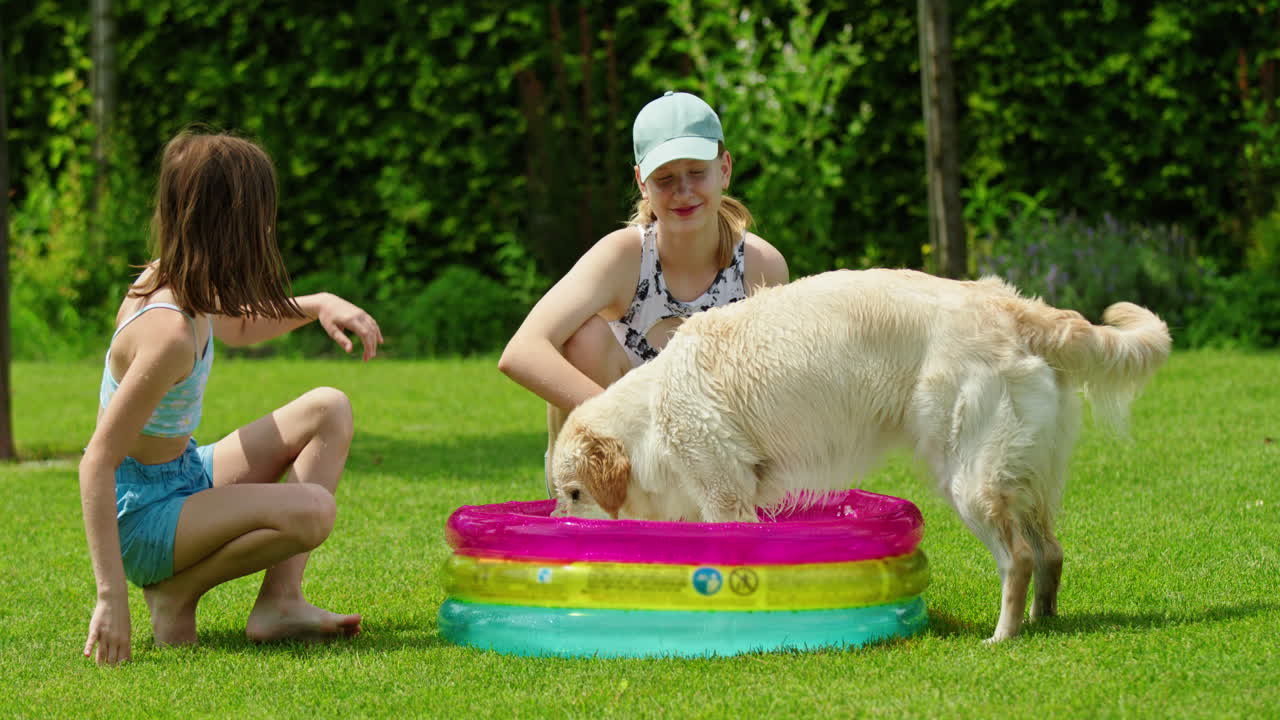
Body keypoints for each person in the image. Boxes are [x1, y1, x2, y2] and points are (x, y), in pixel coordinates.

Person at [80, 130, 384, 665]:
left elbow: (241, 327)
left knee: (328, 407)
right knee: (313, 511)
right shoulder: (167, 332)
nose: (268, 228)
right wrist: (110, 599)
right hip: (146, 520)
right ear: (232, 226)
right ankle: (175, 594)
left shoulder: (180, 282)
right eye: (261, 217)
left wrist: (317, 304)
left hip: (181, 477)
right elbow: (97, 461)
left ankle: (281, 603)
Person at [498, 91, 789, 492]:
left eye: (697, 172)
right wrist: (633, 424)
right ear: (642, 182)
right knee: (583, 338)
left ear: (724, 169)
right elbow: (521, 351)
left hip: (716, 461)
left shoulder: (760, 266)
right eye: (665, 179)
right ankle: (574, 500)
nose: (683, 191)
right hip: (615, 461)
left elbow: (775, 393)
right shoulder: (624, 255)